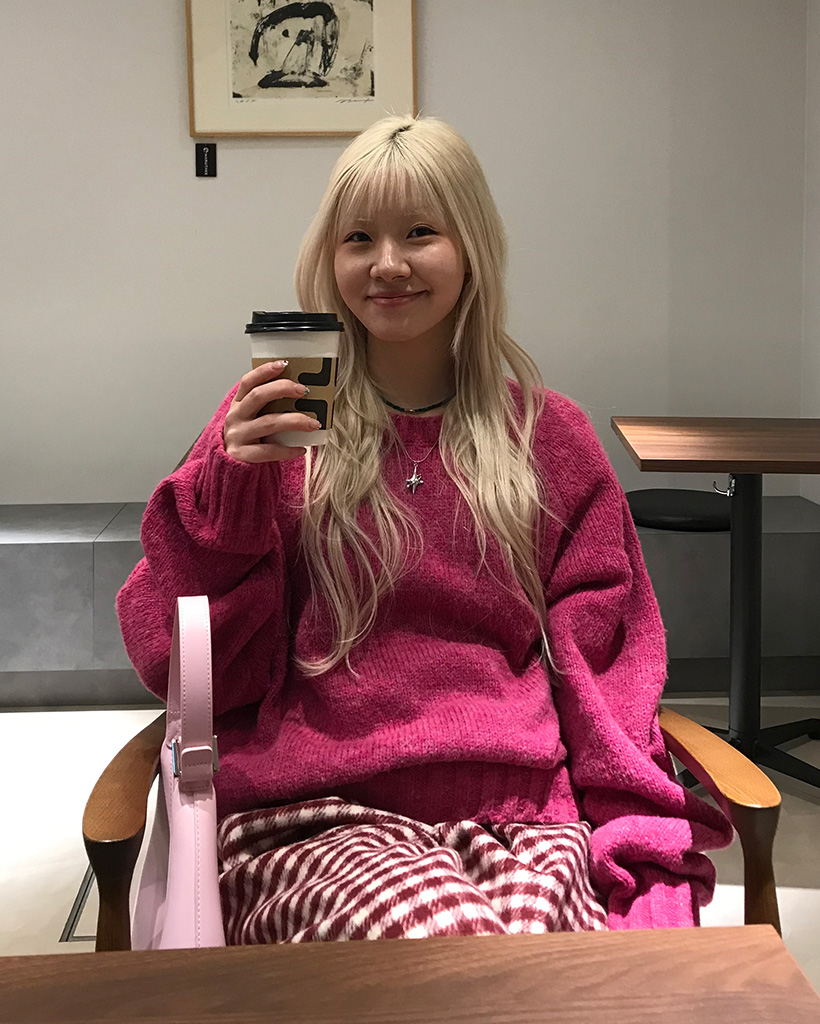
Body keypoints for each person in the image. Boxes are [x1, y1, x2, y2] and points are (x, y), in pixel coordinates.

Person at [117, 114, 732, 944]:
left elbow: (609, 673)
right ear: (329, 257)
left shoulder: (549, 438)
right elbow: (177, 657)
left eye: (419, 232)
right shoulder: (269, 425)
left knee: (555, 976)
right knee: (454, 952)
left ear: (470, 247)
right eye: (358, 237)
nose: (387, 264)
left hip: (525, 821)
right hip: (315, 820)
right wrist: (230, 494)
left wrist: (641, 852)